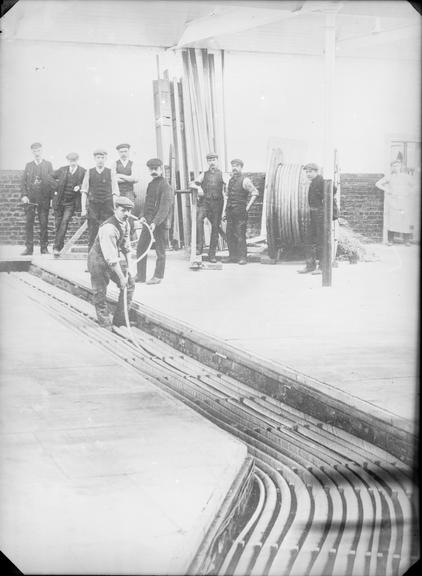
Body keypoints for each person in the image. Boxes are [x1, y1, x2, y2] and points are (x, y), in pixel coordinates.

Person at [87, 196, 135, 329]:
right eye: (123, 210)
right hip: (98, 261)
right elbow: (111, 259)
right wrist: (121, 277)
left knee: (129, 284)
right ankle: (105, 323)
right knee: (100, 293)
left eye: (129, 211)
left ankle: (120, 320)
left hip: (111, 260)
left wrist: (129, 269)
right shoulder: (109, 228)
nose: (127, 214)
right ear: (115, 209)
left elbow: (127, 247)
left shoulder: (125, 224)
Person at [136, 158, 174, 284]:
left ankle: (158, 276)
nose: (153, 171)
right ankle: (140, 275)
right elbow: (147, 204)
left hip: (160, 224)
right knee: (141, 247)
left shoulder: (166, 186)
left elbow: (164, 208)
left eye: (156, 169)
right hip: (148, 223)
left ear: (161, 169)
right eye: (151, 169)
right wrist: (142, 216)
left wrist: (155, 222)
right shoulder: (151, 185)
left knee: (160, 251)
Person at [80, 149, 120, 250]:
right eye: (98, 157)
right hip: (93, 206)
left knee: (108, 231)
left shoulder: (110, 172)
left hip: (108, 206)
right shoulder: (89, 172)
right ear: (94, 159)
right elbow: (84, 191)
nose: (100, 160)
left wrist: (115, 208)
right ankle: (91, 259)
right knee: (93, 232)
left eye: (102, 157)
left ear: (106, 159)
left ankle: (110, 257)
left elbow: (115, 191)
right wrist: (83, 209)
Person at [20, 142, 54, 255]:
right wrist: (24, 195)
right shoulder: (28, 165)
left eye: (38, 150)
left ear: (42, 151)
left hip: (43, 199)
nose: (37, 153)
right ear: (32, 152)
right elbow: (23, 182)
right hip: (30, 200)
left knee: (44, 223)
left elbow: (52, 182)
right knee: (29, 223)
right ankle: (29, 248)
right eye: (34, 151)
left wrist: (51, 198)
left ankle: (44, 248)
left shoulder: (48, 165)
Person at [192, 152, 226, 263]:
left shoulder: (222, 174)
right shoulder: (204, 174)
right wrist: (199, 188)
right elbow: (192, 183)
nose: (212, 162)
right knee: (198, 220)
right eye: (210, 160)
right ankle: (199, 247)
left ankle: (212, 255)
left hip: (217, 205)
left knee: (215, 228)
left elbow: (230, 184)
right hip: (205, 204)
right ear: (207, 162)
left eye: (214, 160)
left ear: (217, 161)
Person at [224, 158, 259, 265]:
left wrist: (247, 207)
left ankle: (243, 257)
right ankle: (232, 257)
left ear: (241, 167)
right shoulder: (229, 181)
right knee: (229, 235)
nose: (234, 168)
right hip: (230, 212)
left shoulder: (245, 180)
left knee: (240, 235)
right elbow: (227, 197)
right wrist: (224, 212)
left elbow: (255, 193)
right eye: (233, 166)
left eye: (237, 166)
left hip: (240, 213)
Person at [51, 152, 86, 257]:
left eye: (74, 160)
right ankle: (59, 246)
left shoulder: (82, 171)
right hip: (60, 201)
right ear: (68, 161)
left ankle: (56, 247)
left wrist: (79, 186)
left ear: (77, 160)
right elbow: (50, 177)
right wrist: (57, 187)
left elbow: (85, 183)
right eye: (71, 161)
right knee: (58, 223)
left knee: (64, 222)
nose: (72, 163)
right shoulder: (62, 169)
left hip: (71, 203)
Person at [375, 160, 415, 246]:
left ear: (400, 166)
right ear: (391, 167)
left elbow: (415, 185)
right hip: (394, 201)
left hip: (404, 201)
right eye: (393, 166)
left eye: (397, 166)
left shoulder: (406, 177)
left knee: (406, 220)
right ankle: (390, 240)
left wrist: (409, 192)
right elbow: (378, 184)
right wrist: (387, 190)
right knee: (392, 220)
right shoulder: (390, 177)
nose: (395, 167)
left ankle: (406, 240)